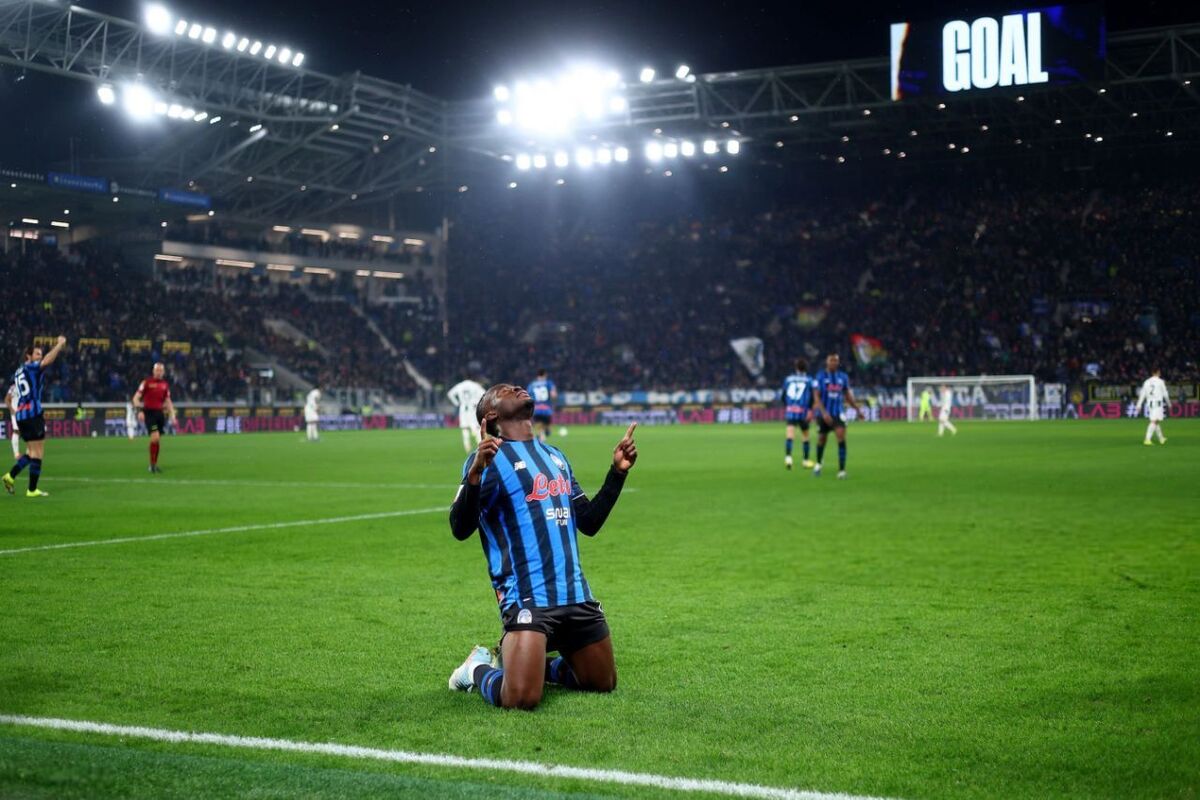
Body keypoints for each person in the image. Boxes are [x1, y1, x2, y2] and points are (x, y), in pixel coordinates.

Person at [447, 383, 638, 710]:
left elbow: (588, 522)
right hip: (528, 597)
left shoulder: (555, 457)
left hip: (575, 594)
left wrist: (617, 473)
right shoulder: (488, 460)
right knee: (521, 698)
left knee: (601, 682)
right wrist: (475, 475)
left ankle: (528, 666)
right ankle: (475, 668)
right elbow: (460, 528)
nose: (516, 387)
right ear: (491, 415)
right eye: (505, 390)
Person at [4, 336, 67, 498]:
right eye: (37, 354)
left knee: (31, 452)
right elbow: (47, 361)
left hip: (21, 414)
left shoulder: (18, 371)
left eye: (40, 354)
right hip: (32, 413)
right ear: (29, 356)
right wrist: (59, 345)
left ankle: (10, 476)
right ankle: (32, 490)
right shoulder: (31, 367)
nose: (40, 356)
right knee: (38, 452)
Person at [812, 353, 861, 480]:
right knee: (821, 439)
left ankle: (842, 470)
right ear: (827, 362)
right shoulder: (820, 376)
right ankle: (818, 464)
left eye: (836, 360)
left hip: (838, 414)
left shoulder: (843, 377)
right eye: (831, 360)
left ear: (838, 362)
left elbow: (847, 395)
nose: (833, 362)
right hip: (823, 415)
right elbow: (816, 396)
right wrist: (824, 413)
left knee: (841, 439)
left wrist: (857, 410)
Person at [131, 362, 176, 473]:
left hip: (160, 415)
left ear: (163, 372)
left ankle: (154, 464)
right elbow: (136, 398)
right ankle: (152, 465)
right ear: (153, 371)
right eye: (157, 370)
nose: (159, 372)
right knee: (155, 437)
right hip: (149, 414)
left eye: (161, 370)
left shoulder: (165, 385)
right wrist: (140, 411)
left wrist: (172, 415)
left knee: (157, 439)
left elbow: (168, 401)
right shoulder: (146, 383)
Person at [781, 358, 824, 470]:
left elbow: (783, 396)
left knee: (790, 435)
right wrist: (810, 410)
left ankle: (788, 458)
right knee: (805, 436)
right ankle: (805, 461)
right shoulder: (810, 380)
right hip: (803, 412)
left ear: (796, 367)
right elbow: (813, 396)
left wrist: (788, 406)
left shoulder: (788, 379)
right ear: (806, 368)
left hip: (791, 411)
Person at [447, 377, 486, 453]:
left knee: (465, 428)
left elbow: (450, 394)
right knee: (476, 428)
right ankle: (481, 445)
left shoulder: (460, 385)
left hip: (463, 410)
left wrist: (456, 403)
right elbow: (484, 394)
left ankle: (467, 447)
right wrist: (479, 402)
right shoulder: (475, 385)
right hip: (473, 410)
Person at [1134, 367, 1169, 446]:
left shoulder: (1146, 382)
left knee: (1156, 421)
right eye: (1159, 371)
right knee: (1154, 421)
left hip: (1150, 404)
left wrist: (1139, 405)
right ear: (1158, 372)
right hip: (1157, 404)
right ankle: (1147, 439)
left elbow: (1142, 394)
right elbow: (1165, 394)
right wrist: (1169, 403)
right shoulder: (1160, 381)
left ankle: (1161, 438)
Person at [526, 369, 557, 442]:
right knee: (546, 429)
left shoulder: (531, 384)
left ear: (537, 375)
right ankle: (542, 435)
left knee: (540, 426)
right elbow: (553, 395)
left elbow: (527, 396)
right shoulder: (548, 383)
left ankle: (541, 435)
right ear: (545, 375)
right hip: (546, 408)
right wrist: (553, 403)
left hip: (536, 409)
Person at [5, 383, 19, 459]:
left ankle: (30, 452)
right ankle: (16, 453)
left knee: (29, 431)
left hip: (25, 411)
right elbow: (6, 399)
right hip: (15, 412)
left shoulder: (28, 385)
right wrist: (11, 409)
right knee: (16, 431)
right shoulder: (13, 387)